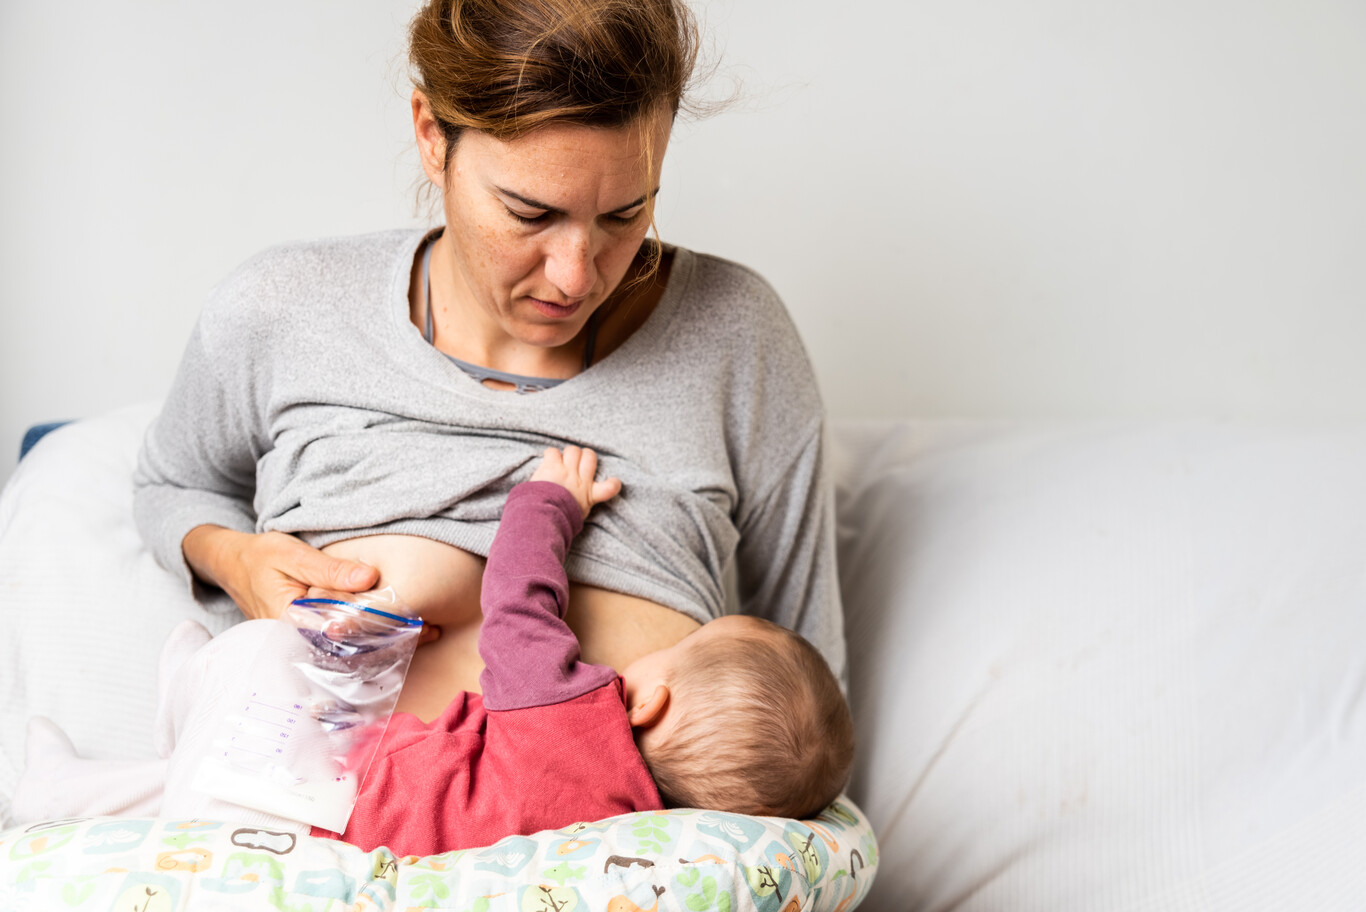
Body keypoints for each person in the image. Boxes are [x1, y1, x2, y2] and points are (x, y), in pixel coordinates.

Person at [132, 0, 845, 732]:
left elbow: (808, 685)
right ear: (431, 135)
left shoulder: (735, 333)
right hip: (306, 799)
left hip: (627, 813)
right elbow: (171, 484)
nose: (575, 276)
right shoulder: (284, 306)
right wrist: (237, 561)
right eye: (531, 214)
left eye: (625, 215)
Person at [13, 447, 853, 856]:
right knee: (197, 785)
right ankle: (63, 793)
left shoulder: (570, 713)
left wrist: (549, 501)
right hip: (313, 836)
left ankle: (190, 697)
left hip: (317, 782)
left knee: (265, 651)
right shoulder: (635, 833)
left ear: (649, 700)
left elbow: (519, 596)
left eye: (684, 646)